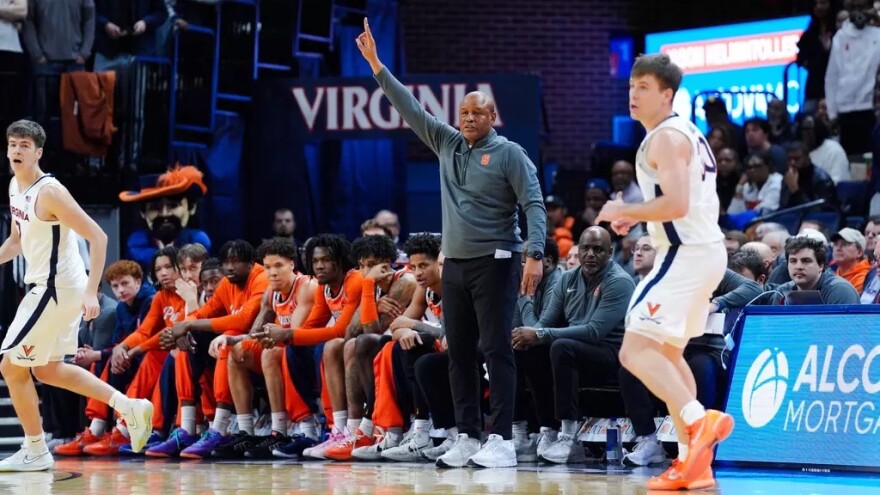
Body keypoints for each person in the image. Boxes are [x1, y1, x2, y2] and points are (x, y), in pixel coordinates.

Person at [358, 18, 547, 469]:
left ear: (491, 117)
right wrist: (377, 67)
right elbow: (412, 110)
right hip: (457, 264)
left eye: (476, 113)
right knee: (458, 351)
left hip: (498, 260)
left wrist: (534, 254)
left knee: (495, 348)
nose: (467, 119)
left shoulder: (509, 154)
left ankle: (501, 438)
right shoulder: (446, 144)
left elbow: (534, 203)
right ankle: (466, 434)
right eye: (463, 113)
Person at [595, 55, 732, 490]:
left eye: (644, 87)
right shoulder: (681, 133)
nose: (633, 93)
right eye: (631, 85)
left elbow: (677, 204)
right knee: (669, 357)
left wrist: (625, 209)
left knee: (633, 351)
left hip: (684, 253)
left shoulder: (665, 138)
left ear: (667, 94)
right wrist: (635, 215)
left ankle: (699, 420)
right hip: (701, 251)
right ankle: (696, 463)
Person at [0, 120, 153, 471]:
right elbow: (16, 242)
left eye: (25, 145)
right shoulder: (14, 186)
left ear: (38, 152)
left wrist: (90, 292)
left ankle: (36, 449)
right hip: (48, 288)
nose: (17, 151)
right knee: (47, 370)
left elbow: (98, 237)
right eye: (12, 144)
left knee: (10, 366)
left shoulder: (49, 191)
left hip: (57, 288)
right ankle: (128, 406)